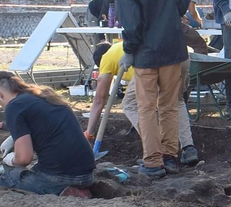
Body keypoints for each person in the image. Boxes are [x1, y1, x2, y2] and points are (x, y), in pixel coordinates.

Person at [109, 0, 190, 179]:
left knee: (146, 108)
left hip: (145, 54)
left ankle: (153, 162)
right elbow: (183, 2)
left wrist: (129, 51)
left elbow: (131, 24)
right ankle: (170, 157)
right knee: (169, 106)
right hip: (173, 49)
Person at [82, 38, 199, 167]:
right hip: (182, 55)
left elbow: (99, 99)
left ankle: (155, 147)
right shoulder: (119, 47)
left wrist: (89, 132)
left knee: (130, 104)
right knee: (176, 101)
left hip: (152, 61)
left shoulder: (106, 57)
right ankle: (189, 148)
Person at [0, 70, 96, 195]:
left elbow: (24, 158)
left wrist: (10, 160)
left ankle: (62, 191)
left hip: (61, 178)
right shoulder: (44, 95)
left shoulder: (14, 106)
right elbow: (45, 124)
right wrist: (13, 138)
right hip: (87, 175)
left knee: (4, 179)